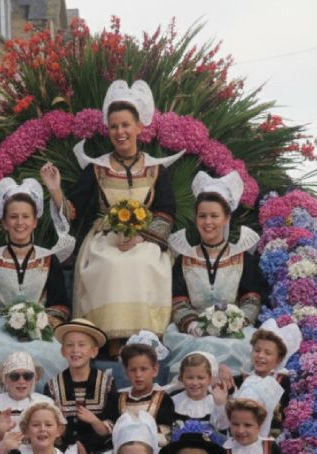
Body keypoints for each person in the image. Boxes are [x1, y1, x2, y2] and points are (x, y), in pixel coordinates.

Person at [41, 80, 180, 348]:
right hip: (105, 238)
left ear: (139, 127)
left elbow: (166, 211)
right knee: (110, 264)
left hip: (145, 239)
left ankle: (145, 338)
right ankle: (110, 339)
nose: (120, 132)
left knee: (144, 262)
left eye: (126, 125)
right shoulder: (97, 168)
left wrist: (142, 237)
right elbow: (72, 212)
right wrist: (55, 190)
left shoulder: (155, 169)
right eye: (114, 126)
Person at [0, 178, 71, 389]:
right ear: (4, 222)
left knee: (49, 355)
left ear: (35, 221)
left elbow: (60, 304)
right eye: (13, 217)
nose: (20, 222)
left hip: (40, 329)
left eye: (26, 216)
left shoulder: (48, 258)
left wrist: (38, 322)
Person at [164, 171, 262, 378]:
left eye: (214, 216)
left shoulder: (243, 258)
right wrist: (192, 324)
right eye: (202, 216)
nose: (208, 222)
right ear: (196, 219)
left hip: (235, 334)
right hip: (193, 336)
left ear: (226, 218)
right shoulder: (184, 258)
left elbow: (251, 299)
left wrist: (236, 322)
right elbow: (179, 301)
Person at [44, 319, 117, 454]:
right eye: (69, 345)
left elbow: (114, 425)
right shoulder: (53, 386)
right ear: (63, 351)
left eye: (82, 345)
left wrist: (94, 421)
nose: (75, 350)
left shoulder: (106, 383)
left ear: (94, 351)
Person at [0, 352, 52, 440]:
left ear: (34, 378)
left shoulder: (46, 403)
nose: (21, 381)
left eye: (27, 376)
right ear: (5, 379)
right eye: (14, 376)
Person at [170, 351, 228, 434]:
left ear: (210, 379)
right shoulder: (172, 401)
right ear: (181, 378)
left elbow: (223, 427)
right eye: (190, 377)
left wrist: (220, 405)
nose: (195, 383)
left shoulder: (215, 401)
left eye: (200, 378)